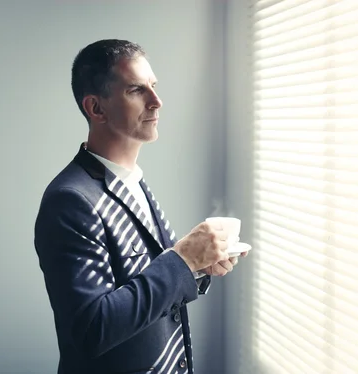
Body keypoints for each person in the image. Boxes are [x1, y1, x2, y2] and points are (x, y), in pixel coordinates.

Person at [34, 39, 246, 374]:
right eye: (136, 90)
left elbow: (146, 280)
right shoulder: (71, 200)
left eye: (154, 86)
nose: (157, 101)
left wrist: (198, 266)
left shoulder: (132, 180)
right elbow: (92, 328)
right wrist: (184, 259)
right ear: (96, 108)